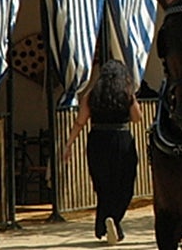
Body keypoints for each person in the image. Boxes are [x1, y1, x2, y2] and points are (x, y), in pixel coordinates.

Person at [64, 59, 142, 245]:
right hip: (121, 139)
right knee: (125, 185)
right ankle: (113, 220)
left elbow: (80, 122)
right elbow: (137, 118)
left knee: (103, 186)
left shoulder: (92, 95)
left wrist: (68, 144)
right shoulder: (126, 93)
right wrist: (132, 98)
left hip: (98, 140)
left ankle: (107, 223)